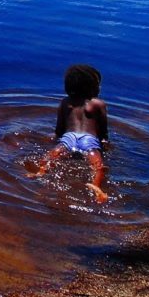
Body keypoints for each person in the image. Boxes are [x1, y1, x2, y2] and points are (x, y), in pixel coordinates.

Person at [27, 64, 109, 203]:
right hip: (89, 140)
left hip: (68, 138)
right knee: (98, 167)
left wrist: (56, 141)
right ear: (92, 87)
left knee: (51, 156)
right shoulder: (98, 104)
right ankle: (96, 187)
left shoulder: (65, 103)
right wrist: (104, 147)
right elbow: (103, 133)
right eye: (98, 85)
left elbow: (59, 130)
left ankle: (40, 171)